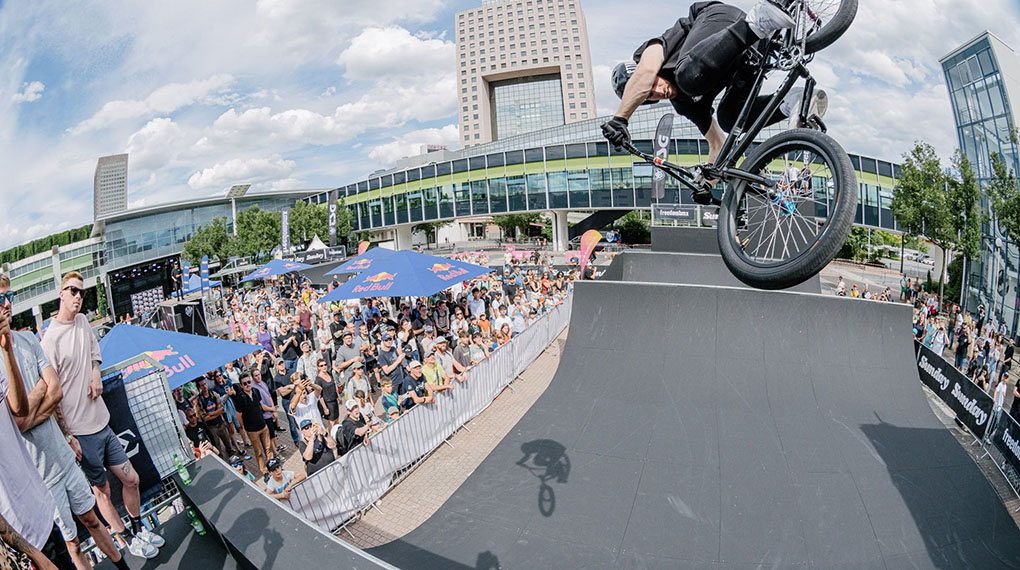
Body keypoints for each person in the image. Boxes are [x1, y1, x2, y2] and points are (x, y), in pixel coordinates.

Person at [603, 1, 825, 203]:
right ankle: (791, 101)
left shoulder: (652, 53)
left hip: (722, 21)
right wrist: (707, 185)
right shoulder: (685, 104)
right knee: (730, 120)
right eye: (650, 96)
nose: (658, 92)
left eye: (654, 85)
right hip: (751, 52)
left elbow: (645, 72)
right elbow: (718, 143)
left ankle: (756, 22)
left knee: (687, 78)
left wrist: (620, 119)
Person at [0, 276, 134, 569]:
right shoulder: (29, 346)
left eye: (9, 296)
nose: (7, 304)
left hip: (62, 455)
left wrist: (33, 412)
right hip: (40, 474)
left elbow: (55, 390)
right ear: (62, 293)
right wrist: (40, 391)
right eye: (0, 299)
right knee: (72, 542)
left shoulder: (28, 340)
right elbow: (17, 421)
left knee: (93, 520)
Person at [40, 271, 163, 557]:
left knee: (132, 479)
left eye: (81, 292)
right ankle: (128, 539)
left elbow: (95, 356)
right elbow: (51, 394)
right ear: (61, 294)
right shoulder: (50, 340)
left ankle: (138, 528)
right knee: (102, 491)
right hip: (80, 433)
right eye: (72, 291)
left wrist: (95, 373)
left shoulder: (83, 322)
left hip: (102, 422)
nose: (78, 296)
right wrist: (67, 436)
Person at [229, 372, 275, 481]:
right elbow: (238, 415)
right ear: (241, 385)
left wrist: (271, 410)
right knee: (258, 452)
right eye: (244, 383)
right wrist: (244, 427)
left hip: (263, 426)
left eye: (249, 382)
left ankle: (272, 466)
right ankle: (264, 471)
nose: (247, 385)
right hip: (252, 430)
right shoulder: (240, 398)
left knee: (268, 449)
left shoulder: (256, 391)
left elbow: (261, 405)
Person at [195, 379, 237, 458]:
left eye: (205, 384)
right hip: (211, 427)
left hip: (221, 423)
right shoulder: (199, 399)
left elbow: (222, 410)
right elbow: (205, 418)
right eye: (202, 385)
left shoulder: (214, 394)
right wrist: (217, 413)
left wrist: (211, 414)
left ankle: (233, 458)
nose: (204, 386)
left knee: (228, 444)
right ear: (199, 387)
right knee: (217, 448)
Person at [315, 359, 340, 432]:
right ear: (318, 367)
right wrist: (325, 408)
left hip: (334, 400)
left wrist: (338, 396)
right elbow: (320, 396)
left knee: (337, 420)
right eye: (321, 365)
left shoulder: (329, 373)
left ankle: (337, 435)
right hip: (328, 403)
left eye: (325, 364)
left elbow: (334, 385)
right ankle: (331, 437)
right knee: (331, 423)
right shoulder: (318, 380)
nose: (324, 367)